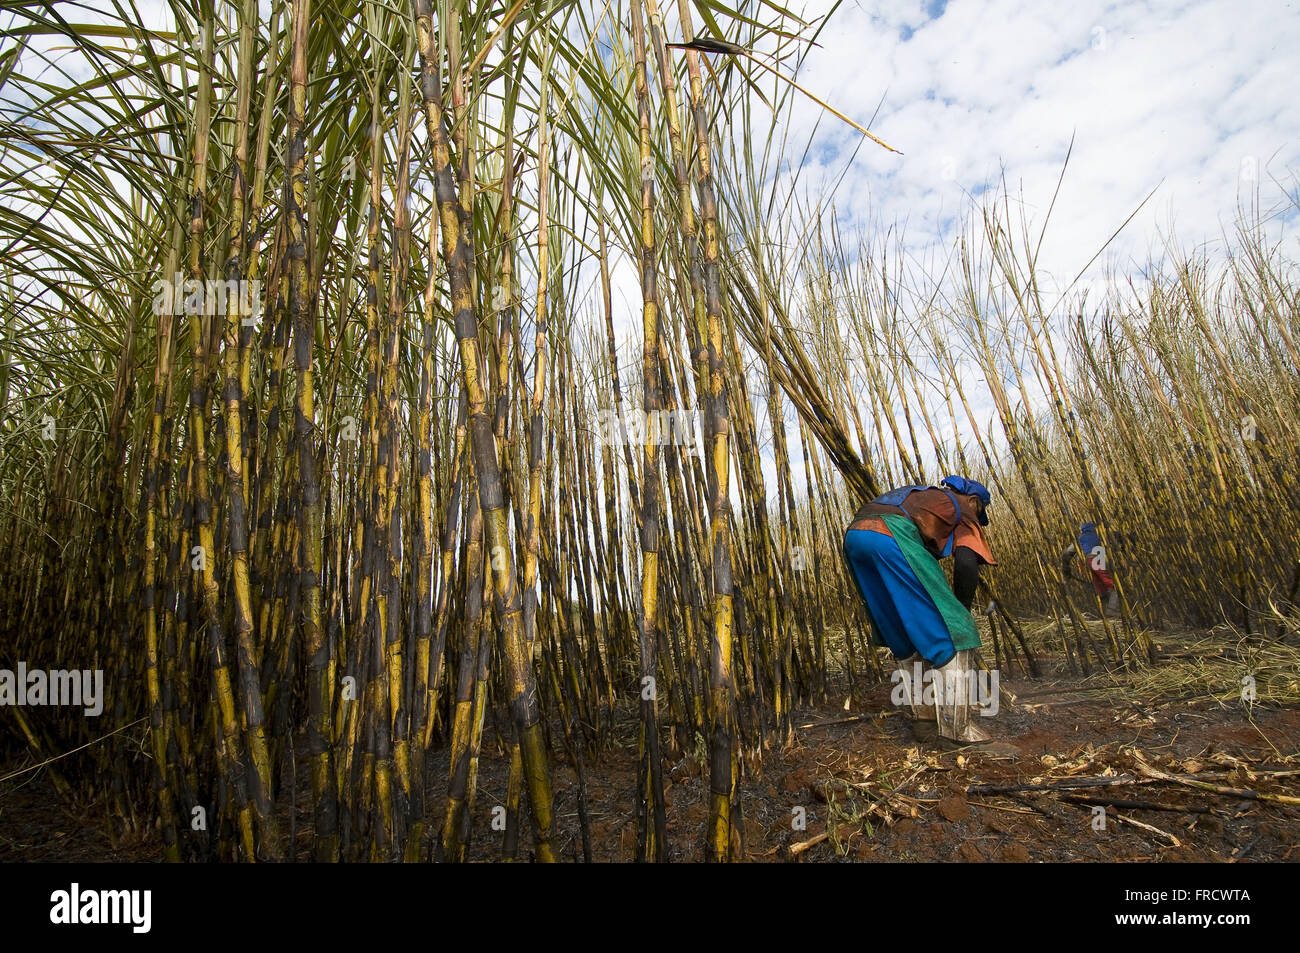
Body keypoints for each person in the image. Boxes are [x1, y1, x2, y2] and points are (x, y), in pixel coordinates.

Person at [842, 475, 998, 745]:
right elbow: (965, 563)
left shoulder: (922, 496)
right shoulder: (962, 508)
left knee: (904, 632)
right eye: (979, 511)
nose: (976, 518)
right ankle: (957, 731)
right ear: (974, 501)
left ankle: (925, 723)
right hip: (892, 535)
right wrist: (960, 612)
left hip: (855, 537)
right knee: (954, 635)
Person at [1061, 522, 1119, 615]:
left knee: (1099, 587)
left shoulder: (1081, 537)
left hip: (1085, 562)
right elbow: (1117, 536)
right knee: (1112, 586)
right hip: (1097, 558)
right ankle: (1112, 611)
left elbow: (1067, 553)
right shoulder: (1101, 533)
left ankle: (1105, 611)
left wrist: (1066, 569)